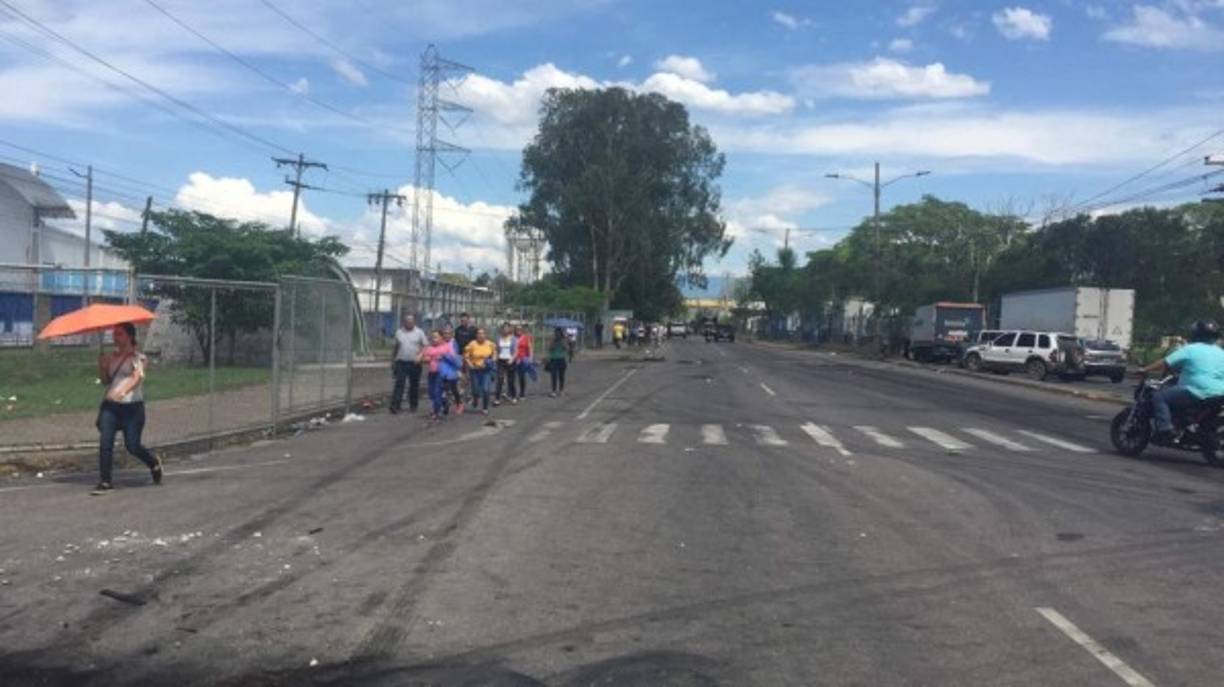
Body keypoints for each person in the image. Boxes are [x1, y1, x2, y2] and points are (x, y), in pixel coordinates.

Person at [92, 322, 163, 495]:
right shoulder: (111, 358)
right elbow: (105, 382)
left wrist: (122, 392)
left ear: (130, 336)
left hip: (132, 408)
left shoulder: (140, 358)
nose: (115, 337)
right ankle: (105, 481)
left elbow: (137, 378)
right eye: (114, 334)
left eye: (119, 334)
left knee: (132, 446)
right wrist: (101, 367)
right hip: (111, 407)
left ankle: (153, 462)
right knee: (105, 441)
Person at [1141, 320, 1224, 442]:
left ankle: (1165, 430)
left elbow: (1166, 362)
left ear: (1196, 334)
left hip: (1196, 391)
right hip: (1220, 393)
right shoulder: (1221, 353)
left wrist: (1144, 369)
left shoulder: (1190, 349)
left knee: (1160, 397)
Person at [390, 314, 428, 414]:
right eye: (407, 321)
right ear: (404, 322)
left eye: (411, 321)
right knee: (399, 384)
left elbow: (425, 346)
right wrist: (393, 361)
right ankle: (395, 405)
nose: (409, 322)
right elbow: (395, 348)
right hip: (401, 362)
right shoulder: (399, 332)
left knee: (414, 385)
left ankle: (413, 405)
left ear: (414, 322)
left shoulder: (419, 332)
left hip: (415, 363)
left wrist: (420, 356)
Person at [420, 330, 458, 423]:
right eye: (433, 337)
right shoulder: (429, 348)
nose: (434, 339)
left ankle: (436, 412)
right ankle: (444, 402)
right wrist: (427, 359)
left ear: (441, 337)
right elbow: (423, 358)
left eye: (436, 337)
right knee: (431, 393)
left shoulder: (447, 347)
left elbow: (454, 359)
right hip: (432, 373)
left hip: (441, 374)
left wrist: (444, 357)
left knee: (437, 392)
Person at [464, 327, 496, 414]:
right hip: (475, 370)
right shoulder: (472, 344)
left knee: (486, 389)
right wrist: (470, 365)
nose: (481, 335)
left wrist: (491, 361)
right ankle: (475, 399)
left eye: (483, 333)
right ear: (476, 335)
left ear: (485, 335)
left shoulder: (490, 344)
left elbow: (494, 355)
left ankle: (485, 408)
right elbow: (466, 356)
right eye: (479, 333)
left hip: (486, 370)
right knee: (475, 390)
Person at [440, 326, 464, 415]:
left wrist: (445, 355)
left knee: (454, 389)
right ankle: (444, 405)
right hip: (442, 370)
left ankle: (459, 403)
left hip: (452, 371)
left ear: (451, 334)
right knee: (442, 389)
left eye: (448, 333)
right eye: (444, 333)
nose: (446, 335)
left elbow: (454, 358)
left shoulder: (454, 343)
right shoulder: (440, 342)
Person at [494, 322, 518, 405]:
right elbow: (496, 349)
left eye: (507, 328)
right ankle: (497, 399)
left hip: (510, 360)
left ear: (510, 329)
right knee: (500, 379)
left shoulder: (513, 339)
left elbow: (515, 351)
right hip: (501, 360)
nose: (505, 329)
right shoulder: (498, 338)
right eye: (504, 328)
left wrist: (512, 359)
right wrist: (495, 357)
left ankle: (513, 396)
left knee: (511, 380)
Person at [546, 327, 569, 397]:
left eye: (558, 333)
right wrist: (554, 342)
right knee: (554, 376)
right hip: (554, 359)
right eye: (556, 332)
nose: (557, 334)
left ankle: (561, 390)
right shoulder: (553, 340)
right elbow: (549, 348)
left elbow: (567, 348)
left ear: (561, 333)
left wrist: (562, 342)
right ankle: (553, 391)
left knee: (561, 376)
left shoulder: (564, 340)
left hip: (561, 359)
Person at [513, 324, 533, 400]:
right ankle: (512, 393)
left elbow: (530, 348)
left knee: (522, 377)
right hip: (513, 359)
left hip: (523, 359)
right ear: (515, 330)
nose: (519, 330)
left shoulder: (526, 338)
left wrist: (530, 358)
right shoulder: (512, 338)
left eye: (520, 329)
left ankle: (522, 393)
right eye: (517, 329)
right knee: (512, 377)